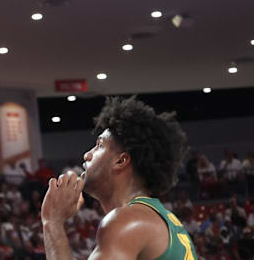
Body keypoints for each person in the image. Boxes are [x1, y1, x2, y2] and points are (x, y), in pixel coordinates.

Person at [40, 96, 197, 259]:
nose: (87, 155)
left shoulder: (127, 220)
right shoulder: (164, 219)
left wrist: (53, 221)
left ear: (120, 161)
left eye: (99, 145)